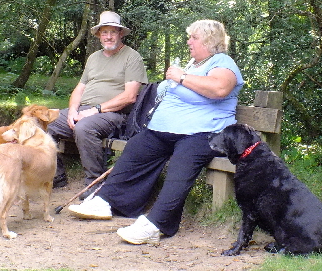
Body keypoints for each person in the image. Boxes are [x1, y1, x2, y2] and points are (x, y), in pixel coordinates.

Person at [68, 19, 244, 244]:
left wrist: (180, 77)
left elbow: (220, 88)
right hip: (163, 130)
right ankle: (106, 201)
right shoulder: (192, 65)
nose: (188, 41)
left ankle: (156, 224)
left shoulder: (222, 62)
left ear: (209, 41)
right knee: (136, 148)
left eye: (194, 37)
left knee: (183, 163)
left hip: (202, 133)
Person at [48, 11, 148, 198]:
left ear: (120, 34)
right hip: (85, 110)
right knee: (44, 121)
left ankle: (94, 184)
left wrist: (95, 110)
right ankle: (55, 176)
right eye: (104, 32)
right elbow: (79, 88)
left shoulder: (132, 57)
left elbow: (129, 97)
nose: (108, 36)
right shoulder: (93, 58)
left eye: (113, 32)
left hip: (115, 114)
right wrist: (72, 111)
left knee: (84, 128)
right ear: (99, 35)